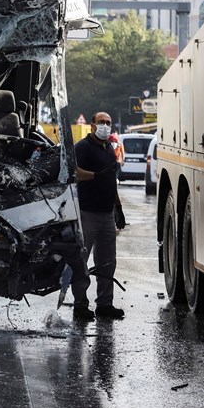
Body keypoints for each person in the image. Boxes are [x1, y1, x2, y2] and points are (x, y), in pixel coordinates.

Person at [71, 111, 126, 321]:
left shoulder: (110, 149)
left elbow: (111, 181)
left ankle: (105, 304)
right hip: (87, 213)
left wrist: (118, 208)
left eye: (108, 123)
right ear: (92, 125)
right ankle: (80, 305)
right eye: (101, 122)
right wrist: (94, 176)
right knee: (81, 261)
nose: (105, 125)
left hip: (106, 214)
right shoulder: (83, 148)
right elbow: (73, 172)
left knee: (107, 262)